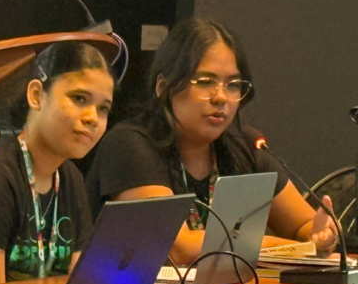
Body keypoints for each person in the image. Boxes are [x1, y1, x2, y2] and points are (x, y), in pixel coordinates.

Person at [86, 18, 338, 264]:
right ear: (164, 87)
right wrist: (297, 248)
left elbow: (305, 226)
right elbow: (178, 249)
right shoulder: (131, 144)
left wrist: (322, 235)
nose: (221, 98)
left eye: (233, 85)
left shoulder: (243, 147)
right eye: (205, 82)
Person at [0, 40, 114, 284]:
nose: (92, 118)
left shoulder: (70, 178)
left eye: (103, 108)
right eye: (79, 98)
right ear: (36, 95)